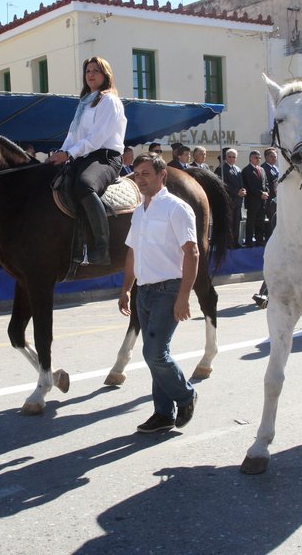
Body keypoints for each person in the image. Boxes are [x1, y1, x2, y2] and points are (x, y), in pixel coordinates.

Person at [118, 153, 198, 433]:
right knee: (155, 354)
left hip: (168, 290)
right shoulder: (139, 211)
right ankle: (163, 414)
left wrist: (184, 297)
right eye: (137, 174)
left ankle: (186, 395)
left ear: (162, 175)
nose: (140, 179)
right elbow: (132, 252)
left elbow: (192, 253)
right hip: (144, 291)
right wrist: (126, 288)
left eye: (146, 174)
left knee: (155, 353)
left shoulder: (177, 208)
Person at [46, 56, 126, 265]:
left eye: (96, 71)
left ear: (105, 75)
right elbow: (73, 135)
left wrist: (69, 154)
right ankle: (75, 244)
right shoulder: (85, 102)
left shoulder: (109, 101)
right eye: (88, 71)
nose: (90, 74)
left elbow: (97, 137)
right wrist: (61, 153)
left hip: (105, 157)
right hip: (82, 156)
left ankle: (102, 247)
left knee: (84, 185)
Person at [215, 148, 245, 248]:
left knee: (237, 222)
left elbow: (241, 183)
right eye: (229, 156)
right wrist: (236, 192)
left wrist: (243, 190)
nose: (231, 158)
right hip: (228, 200)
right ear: (226, 157)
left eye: (234, 157)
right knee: (229, 223)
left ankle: (235, 242)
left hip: (238, 201)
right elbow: (223, 184)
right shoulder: (221, 169)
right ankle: (228, 243)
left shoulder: (238, 169)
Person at [241, 150, 269, 246]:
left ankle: (259, 241)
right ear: (251, 158)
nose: (258, 159)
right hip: (252, 201)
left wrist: (267, 192)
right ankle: (249, 242)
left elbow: (266, 183)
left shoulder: (262, 169)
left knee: (260, 222)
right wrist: (261, 193)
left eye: (259, 158)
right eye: (256, 158)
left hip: (262, 201)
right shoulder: (246, 170)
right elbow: (249, 186)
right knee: (251, 223)